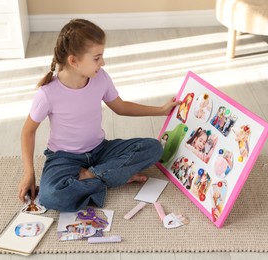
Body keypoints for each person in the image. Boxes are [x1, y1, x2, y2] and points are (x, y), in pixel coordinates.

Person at [18, 19, 180, 212]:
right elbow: (28, 132)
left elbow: (120, 107)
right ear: (73, 61)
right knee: (50, 196)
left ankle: (92, 176)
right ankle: (111, 176)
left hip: (100, 150)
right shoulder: (47, 93)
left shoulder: (100, 77)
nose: (102, 62)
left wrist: (161, 110)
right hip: (64, 158)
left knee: (154, 148)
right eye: (97, 58)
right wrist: (29, 174)